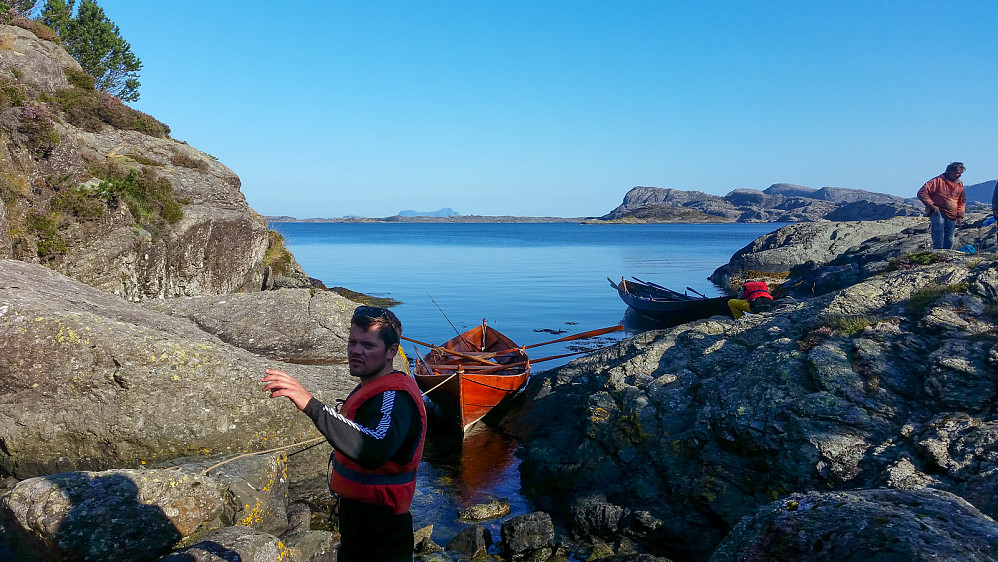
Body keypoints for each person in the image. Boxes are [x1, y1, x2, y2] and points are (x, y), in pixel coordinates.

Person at [262, 305, 426, 562]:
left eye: (368, 345)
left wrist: (310, 404)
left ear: (391, 352)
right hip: (357, 526)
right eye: (352, 342)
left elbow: (374, 449)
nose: (356, 351)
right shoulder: (371, 389)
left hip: (383, 534)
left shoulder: (394, 399)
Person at [917, 162, 966, 250]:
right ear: (950, 171)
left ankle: (947, 256)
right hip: (937, 211)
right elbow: (922, 192)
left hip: (952, 214)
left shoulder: (959, 184)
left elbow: (961, 201)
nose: (959, 175)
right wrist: (931, 205)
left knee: (950, 240)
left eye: (961, 173)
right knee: (938, 235)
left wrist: (960, 215)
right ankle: (937, 255)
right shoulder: (938, 181)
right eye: (957, 173)